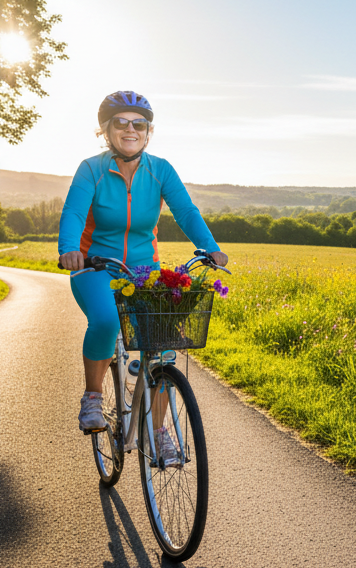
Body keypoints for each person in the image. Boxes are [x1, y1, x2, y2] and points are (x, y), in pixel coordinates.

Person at [58, 91, 228, 450]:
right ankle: (92, 397)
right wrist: (70, 250)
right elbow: (74, 211)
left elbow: (185, 210)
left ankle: (158, 432)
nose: (130, 129)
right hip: (95, 266)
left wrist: (210, 247)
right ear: (106, 130)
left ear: (148, 132)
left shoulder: (160, 169)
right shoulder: (92, 168)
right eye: (121, 122)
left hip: (142, 272)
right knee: (105, 321)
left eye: (139, 123)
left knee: (165, 344)